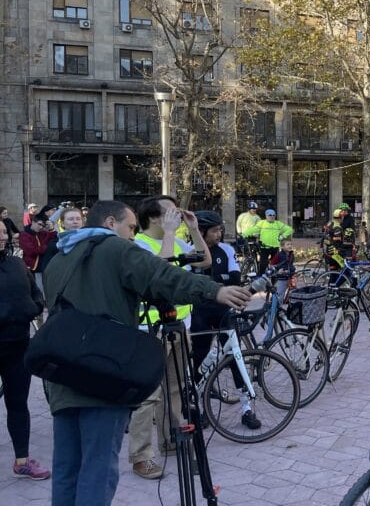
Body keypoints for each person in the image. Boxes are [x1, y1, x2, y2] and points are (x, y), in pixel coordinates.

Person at [43, 200, 251, 506]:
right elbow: (160, 275)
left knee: (67, 467)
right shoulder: (115, 248)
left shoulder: (60, 255)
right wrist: (215, 291)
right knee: (98, 468)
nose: (132, 234)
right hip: (102, 369)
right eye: (129, 228)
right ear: (110, 223)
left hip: (61, 370)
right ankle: (141, 456)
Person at [128, 195, 211, 480]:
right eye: (170, 212)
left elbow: (204, 261)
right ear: (153, 218)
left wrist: (195, 229)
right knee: (148, 395)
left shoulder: (176, 241)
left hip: (179, 326)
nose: (176, 216)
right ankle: (141, 456)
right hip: (150, 330)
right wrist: (173, 232)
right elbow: (158, 273)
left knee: (175, 388)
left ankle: (170, 439)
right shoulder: (138, 245)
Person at [188, 210, 261, 430]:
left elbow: (236, 278)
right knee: (198, 361)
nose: (219, 233)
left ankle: (247, 409)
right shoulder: (189, 251)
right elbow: (188, 282)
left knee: (235, 359)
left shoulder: (226, 250)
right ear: (201, 231)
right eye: (215, 230)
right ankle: (198, 408)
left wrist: (213, 282)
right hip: (199, 313)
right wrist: (221, 282)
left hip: (223, 311)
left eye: (221, 229)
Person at [0, 224, 50, 481]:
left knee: (18, 404)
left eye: (3, 232)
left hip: (18, 346)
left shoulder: (17, 265)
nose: (2, 236)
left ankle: (22, 460)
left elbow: (36, 294)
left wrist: (34, 307)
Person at [246, 209, 293, 274]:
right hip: (264, 248)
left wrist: (282, 236)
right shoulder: (262, 223)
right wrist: (244, 234)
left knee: (275, 265)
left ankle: (273, 280)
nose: (272, 216)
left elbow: (290, 230)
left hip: (275, 247)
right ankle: (261, 279)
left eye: (274, 215)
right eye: (270, 215)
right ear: (266, 216)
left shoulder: (278, 223)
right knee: (263, 265)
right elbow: (253, 230)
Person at [19, 213, 56, 293]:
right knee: (36, 290)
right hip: (31, 268)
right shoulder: (24, 234)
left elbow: (54, 238)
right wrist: (45, 246)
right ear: (33, 222)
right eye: (39, 224)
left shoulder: (41, 233)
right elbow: (32, 251)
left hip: (43, 266)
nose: (41, 227)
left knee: (44, 290)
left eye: (43, 226)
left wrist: (51, 229)